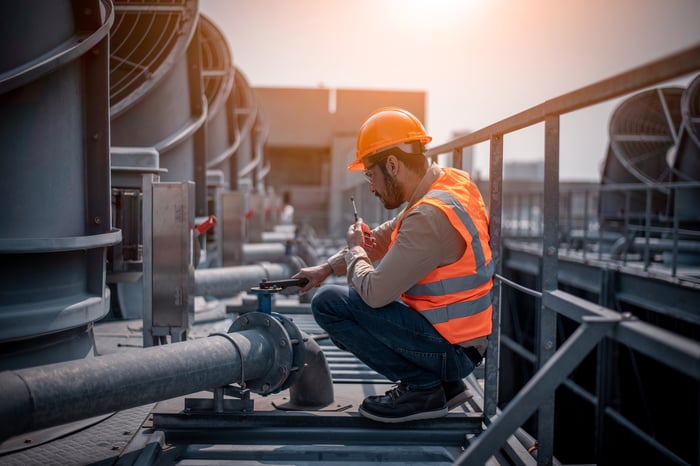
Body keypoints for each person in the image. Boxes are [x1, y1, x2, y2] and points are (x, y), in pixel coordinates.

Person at [293, 107, 493, 423]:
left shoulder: (428, 217)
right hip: (464, 343)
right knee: (346, 290)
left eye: (370, 175)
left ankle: (423, 387)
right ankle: (444, 386)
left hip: (451, 353)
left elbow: (374, 294)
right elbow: (387, 236)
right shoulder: (450, 185)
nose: (370, 186)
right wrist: (326, 269)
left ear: (392, 164)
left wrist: (356, 250)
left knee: (331, 304)